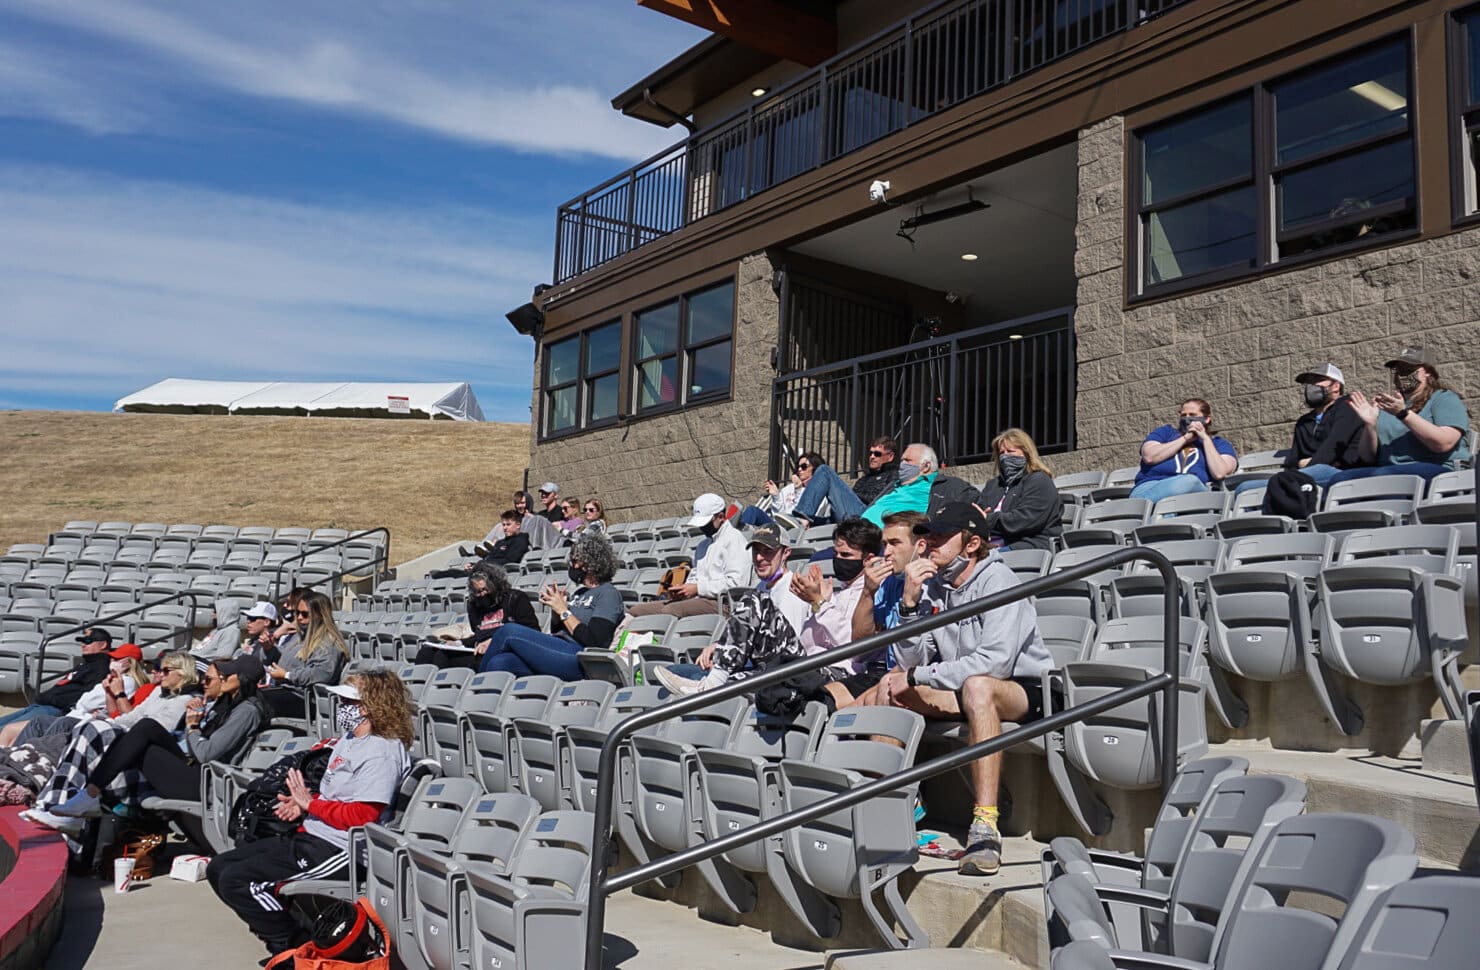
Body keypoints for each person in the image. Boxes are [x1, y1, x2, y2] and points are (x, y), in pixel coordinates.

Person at [855, 502, 1052, 877]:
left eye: (942, 537)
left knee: (978, 687)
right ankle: (891, 811)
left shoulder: (1000, 581)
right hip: (961, 686)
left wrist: (922, 678)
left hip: (1022, 688)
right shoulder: (934, 586)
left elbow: (995, 663)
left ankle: (985, 825)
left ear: (972, 543)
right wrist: (910, 604)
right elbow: (911, 662)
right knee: (890, 685)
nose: (930, 544)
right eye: (929, 535)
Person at [208, 669, 413, 959]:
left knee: (239, 882)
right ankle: (299, 943)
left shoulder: (381, 751)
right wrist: (302, 803)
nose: (342, 708)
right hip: (313, 835)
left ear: (369, 707)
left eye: (349, 703)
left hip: (341, 850)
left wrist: (311, 805)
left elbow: (363, 815)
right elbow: (337, 797)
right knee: (219, 868)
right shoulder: (349, 740)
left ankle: (293, 951)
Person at [654, 518, 887, 702]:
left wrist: (819, 604)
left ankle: (711, 681)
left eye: (845, 555)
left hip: (831, 671)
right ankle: (711, 685)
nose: (838, 560)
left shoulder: (872, 594)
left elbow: (854, 646)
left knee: (754, 602)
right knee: (726, 685)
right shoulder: (837, 590)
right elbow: (808, 639)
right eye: (836, 554)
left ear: (868, 559)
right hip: (799, 663)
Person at [42, 655, 267, 842]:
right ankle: (88, 797)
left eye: (214, 678)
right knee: (141, 731)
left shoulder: (247, 711)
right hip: (196, 769)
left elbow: (205, 753)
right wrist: (204, 713)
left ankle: (88, 797)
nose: (206, 683)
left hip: (210, 782)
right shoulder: (227, 704)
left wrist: (193, 726)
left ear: (241, 679)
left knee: (145, 730)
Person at [22, 652, 200, 830]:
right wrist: (106, 724)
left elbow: (155, 729)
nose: (159, 674)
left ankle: (58, 805)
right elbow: (132, 717)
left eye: (166, 670)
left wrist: (108, 726)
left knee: (93, 730)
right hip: (131, 742)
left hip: (152, 757)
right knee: (91, 727)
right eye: (159, 669)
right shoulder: (158, 693)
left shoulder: (186, 700)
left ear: (183, 673)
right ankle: (57, 803)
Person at [477, 532, 625, 680]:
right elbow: (559, 630)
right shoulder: (580, 592)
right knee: (500, 662)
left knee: (508, 631)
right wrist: (556, 610)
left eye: (575, 561)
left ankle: (475, 686)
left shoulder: (608, 594)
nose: (571, 565)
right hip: (557, 648)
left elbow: (596, 641)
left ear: (589, 564)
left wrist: (564, 611)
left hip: (579, 657)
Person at [1326, 347, 1472, 484]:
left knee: (1383, 476)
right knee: (1340, 480)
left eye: (1409, 369)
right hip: (1389, 472)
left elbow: (1443, 443)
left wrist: (1403, 414)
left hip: (1437, 470)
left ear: (1428, 372)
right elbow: (1367, 457)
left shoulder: (1443, 398)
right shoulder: (1388, 407)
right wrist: (1369, 425)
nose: (1402, 375)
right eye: (1399, 370)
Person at [1247, 363, 1370, 491]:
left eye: (1317, 381)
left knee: (1309, 473)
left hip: (1342, 473)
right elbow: (1293, 462)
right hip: (1308, 476)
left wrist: (1308, 463)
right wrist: (1302, 465)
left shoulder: (1348, 407)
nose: (1311, 387)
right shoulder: (1304, 422)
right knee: (1245, 488)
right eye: (1309, 383)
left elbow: (1333, 447)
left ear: (1336, 386)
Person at [626, 493, 749, 618]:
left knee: (671, 610)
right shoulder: (702, 545)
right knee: (637, 610)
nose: (702, 527)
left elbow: (737, 583)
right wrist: (683, 590)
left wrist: (698, 589)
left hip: (723, 603)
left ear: (721, 517)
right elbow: (694, 578)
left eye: (705, 523)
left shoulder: (734, 539)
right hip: (697, 599)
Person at [0, 643, 146, 746]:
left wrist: (95, 697)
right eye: (112, 658)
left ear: (129, 663)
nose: (112, 661)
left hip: (80, 721)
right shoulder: (113, 679)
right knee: (9, 731)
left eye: (117, 659)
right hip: (75, 716)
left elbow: (87, 702)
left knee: (15, 732)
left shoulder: (127, 681)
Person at [413, 563, 540, 670]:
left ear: (496, 585)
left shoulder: (516, 598)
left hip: (504, 650)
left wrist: (495, 641)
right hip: (479, 649)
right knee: (427, 651)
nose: (482, 594)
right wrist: (458, 643)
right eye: (477, 592)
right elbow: (479, 635)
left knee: (443, 656)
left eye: (485, 590)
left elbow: (532, 631)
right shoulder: (475, 605)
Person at [0, 627, 117, 730]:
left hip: (54, 710)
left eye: (88, 641)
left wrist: (51, 699)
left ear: (103, 645)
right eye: (82, 642)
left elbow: (86, 694)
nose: (83, 645)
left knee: (5, 731)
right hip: (41, 705)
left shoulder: (102, 667)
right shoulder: (86, 664)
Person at [260, 590, 348, 719]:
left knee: (256, 702)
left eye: (305, 614)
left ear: (320, 615)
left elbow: (321, 673)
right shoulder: (301, 636)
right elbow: (284, 659)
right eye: (297, 613)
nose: (299, 618)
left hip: (305, 699)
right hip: (286, 691)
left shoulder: (328, 642)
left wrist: (287, 675)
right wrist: (269, 649)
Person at [1129, 399, 1238, 502]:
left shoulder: (1219, 444)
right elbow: (1149, 456)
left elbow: (1219, 473)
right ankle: (1139, 504)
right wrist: (1185, 439)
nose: (1187, 418)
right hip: (1152, 486)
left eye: (1192, 415)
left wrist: (1205, 439)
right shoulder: (1165, 432)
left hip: (1192, 494)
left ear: (1206, 419)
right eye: (1183, 415)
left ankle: (1137, 505)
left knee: (1190, 481)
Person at [976, 429, 1064, 551]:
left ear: (1026, 453)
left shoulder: (1039, 481)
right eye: (1001, 453)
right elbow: (978, 514)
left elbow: (1023, 520)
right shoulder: (993, 485)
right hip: (989, 545)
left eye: (1010, 451)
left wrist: (988, 519)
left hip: (1027, 545)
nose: (1005, 456)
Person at [853, 510, 928, 643]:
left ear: (920, 546)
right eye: (885, 544)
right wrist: (867, 592)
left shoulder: (934, 585)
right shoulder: (890, 580)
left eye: (895, 543)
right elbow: (861, 643)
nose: (886, 552)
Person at [863, 443, 979, 526]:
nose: (902, 464)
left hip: (884, 540)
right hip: (859, 527)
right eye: (902, 460)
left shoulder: (945, 485)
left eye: (907, 461)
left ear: (926, 466)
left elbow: (973, 498)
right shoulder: (895, 484)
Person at [192, 598, 247, 669]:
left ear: (225, 613)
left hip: (204, 665)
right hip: (194, 660)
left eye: (216, 612)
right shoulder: (217, 630)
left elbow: (223, 657)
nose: (212, 615)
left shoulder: (232, 631)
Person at [853, 436, 902, 507]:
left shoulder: (894, 475)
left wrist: (856, 495)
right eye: (870, 453)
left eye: (877, 454)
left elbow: (881, 498)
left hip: (867, 512)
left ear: (890, 456)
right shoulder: (865, 478)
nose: (872, 457)